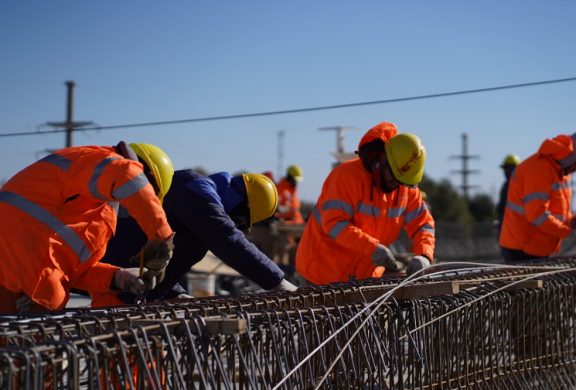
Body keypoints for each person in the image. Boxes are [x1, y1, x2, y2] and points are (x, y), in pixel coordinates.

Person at [0, 142, 175, 313]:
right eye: (148, 193)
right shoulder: (98, 160)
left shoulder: (96, 209)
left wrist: (116, 277)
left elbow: (71, 271)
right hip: (13, 279)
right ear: (147, 178)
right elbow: (127, 175)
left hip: (26, 290)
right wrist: (161, 237)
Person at [94, 170, 297, 306]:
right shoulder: (197, 191)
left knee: (144, 363)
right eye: (241, 220)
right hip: (119, 284)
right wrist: (278, 282)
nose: (236, 225)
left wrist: (174, 292)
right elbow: (228, 239)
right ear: (240, 203)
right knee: (127, 364)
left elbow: (169, 258)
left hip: (134, 289)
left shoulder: (198, 199)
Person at [295, 122, 436, 285]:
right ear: (383, 158)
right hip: (321, 274)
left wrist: (424, 255)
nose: (395, 183)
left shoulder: (405, 187)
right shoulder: (347, 177)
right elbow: (334, 223)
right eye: (393, 175)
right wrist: (372, 248)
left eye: (401, 180)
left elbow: (423, 225)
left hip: (364, 279)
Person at [499, 133, 576, 262]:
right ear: (571, 158)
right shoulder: (538, 169)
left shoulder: (562, 172)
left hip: (537, 247)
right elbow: (537, 216)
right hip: (521, 249)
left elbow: (555, 213)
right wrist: (571, 233)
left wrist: (572, 221)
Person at [495, 154, 520, 238]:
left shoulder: (520, 185)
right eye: (504, 168)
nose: (505, 171)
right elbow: (502, 206)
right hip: (506, 226)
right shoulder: (506, 185)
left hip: (516, 228)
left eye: (507, 168)